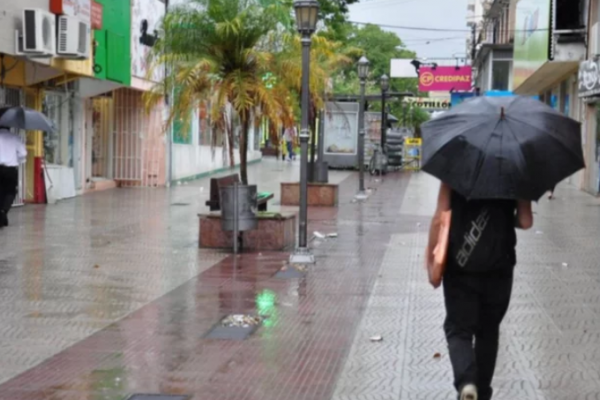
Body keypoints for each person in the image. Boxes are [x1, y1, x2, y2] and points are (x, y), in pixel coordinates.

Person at [426, 183, 533, 400]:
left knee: (458, 328)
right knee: (488, 330)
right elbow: (525, 221)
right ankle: (481, 393)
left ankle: (466, 382)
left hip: (461, 263)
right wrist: (503, 218)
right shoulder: (517, 170)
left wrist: (431, 258)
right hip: (500, 265)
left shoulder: (455, 167)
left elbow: (440, 216)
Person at [0, 126, 27, 228]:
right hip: (10, 169)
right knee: (10, 191)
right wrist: (18, 159)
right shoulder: (15, 138)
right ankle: (3, 211)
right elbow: (23, 153)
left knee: (1, 191)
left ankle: (2, 215)